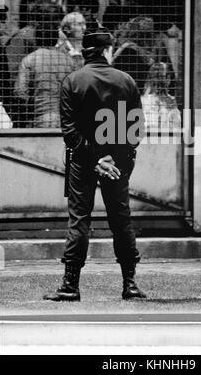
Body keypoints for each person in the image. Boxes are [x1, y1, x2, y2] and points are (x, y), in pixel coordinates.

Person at [43, 29, 147, 301]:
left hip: (82, 160)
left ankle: (70, 284)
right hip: (117, 162)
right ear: (107, 50)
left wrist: (95, 160)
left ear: (86, 52)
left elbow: (70, 132)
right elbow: (134, 132)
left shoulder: (72, 81)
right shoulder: (126, 81)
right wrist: (113, 159)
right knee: (121, 219)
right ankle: (130, 283)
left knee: (79, 219)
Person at [14, 23, 78, 127]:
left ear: (36, 38)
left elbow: (20, 92)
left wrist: (32, 103)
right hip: (66, 119)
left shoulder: (29, 59)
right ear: (57, 39)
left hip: (40, 117)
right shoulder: (69, 61)